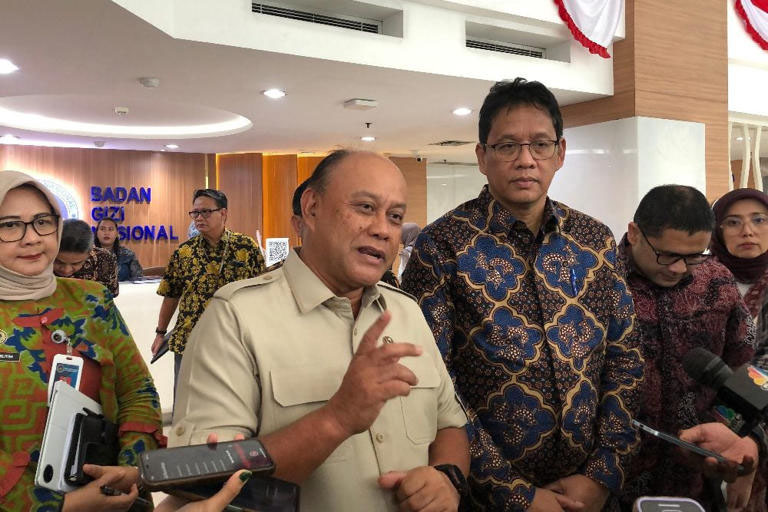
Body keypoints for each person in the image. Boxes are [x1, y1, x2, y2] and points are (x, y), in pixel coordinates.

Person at [169, 150, 470, 512]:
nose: (382, 229)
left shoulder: (406, 311)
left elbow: (450, 425)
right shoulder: (235, 317)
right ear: (311, 208)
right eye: (365, 207)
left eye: (395, 216)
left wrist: (446, 478)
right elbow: (202, 479)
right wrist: (336, 419)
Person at [401, 78, 644, 512]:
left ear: (560, 152)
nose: (526, 160)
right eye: (508, 146)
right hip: (485, 498)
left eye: (541, 145)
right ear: (482, 156)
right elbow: (434, 384)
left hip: (589, 495)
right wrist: (514, 493)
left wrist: (602, 474)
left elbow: (624, 359)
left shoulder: (595, 241)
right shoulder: (441, 247)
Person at [0, 170, 163, 511]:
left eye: (42, 222)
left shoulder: (92, 299)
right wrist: (61, 505)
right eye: (10, 225)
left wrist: (129, 468)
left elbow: (137, 390)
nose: (31, 238)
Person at [617, 184, 759, 510]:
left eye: (694, 256)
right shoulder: (597, 280)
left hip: (699, 478)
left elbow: (746, 369)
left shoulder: (717, 280)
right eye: (667, 255)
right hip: (612, 480)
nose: (679, 268)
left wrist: (743, 439)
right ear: (635, 233)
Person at [152, 188, 266, 385]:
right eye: (195, 213)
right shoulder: (184, 252)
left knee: (232, 397)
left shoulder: (246, 247)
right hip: (189, 340)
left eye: (205, 212)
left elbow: (261, 292)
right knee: (186, 399)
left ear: (223, 213)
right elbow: (171, 295)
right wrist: (160, 333)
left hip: (234, 340)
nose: (199, 218)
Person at [712, 188, 768, 368]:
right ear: (717, 230)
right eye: (733, 222)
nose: (747, 232)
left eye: (759, 220)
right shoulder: (696, 280)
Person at [54, 218, 119, 296]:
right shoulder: (42, 257)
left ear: (89, 253)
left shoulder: (105, 258)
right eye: (59, 262)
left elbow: (111, 293)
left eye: (75, 264)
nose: (66, 270)